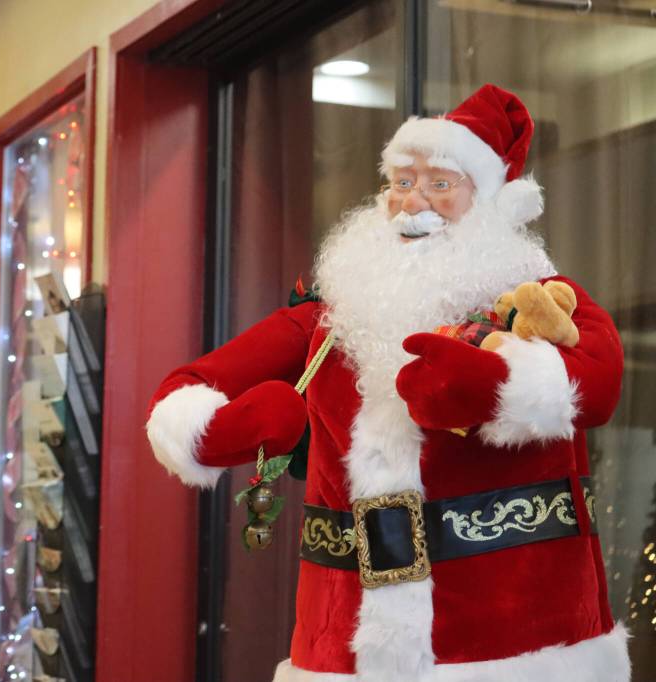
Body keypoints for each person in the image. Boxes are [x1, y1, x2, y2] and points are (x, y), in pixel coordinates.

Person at [145, 84, 627, 681]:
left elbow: (598, 383)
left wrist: (494, 384)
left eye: (440, 183)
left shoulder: (537, 297)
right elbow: (188, 385)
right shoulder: (326, 317)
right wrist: (211, 430)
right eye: (402, 182)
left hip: (512, 638)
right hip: (341, 644)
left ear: (492, 202)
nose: (413, 202)